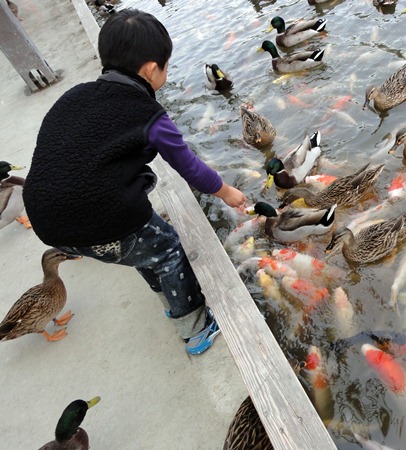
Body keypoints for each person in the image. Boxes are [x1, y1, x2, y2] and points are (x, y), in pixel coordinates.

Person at [23, 9, 246, 355]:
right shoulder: (150, 117)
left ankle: (162, 287)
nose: (166, 73)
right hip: (101, 218)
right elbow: (191, 169)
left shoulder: (74, 97)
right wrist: (227, 191)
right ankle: (195, 330)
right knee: (168, 248)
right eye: (166, 66)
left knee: (145, 245)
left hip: (46, 221)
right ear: (151, 70)